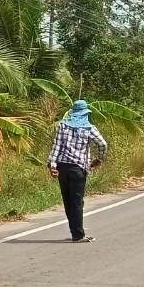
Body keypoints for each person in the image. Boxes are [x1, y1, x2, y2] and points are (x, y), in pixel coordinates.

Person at [48, 99, 107, 244]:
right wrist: (99, 158)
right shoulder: (89, 128)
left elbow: (56, 147)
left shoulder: (63, 126)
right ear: (85, 113)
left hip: (62, 167)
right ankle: (78, 235)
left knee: (68, 201)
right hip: (78, 169)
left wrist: (52, 165)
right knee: (77, 202)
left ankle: (75, 232)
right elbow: (102, 144)